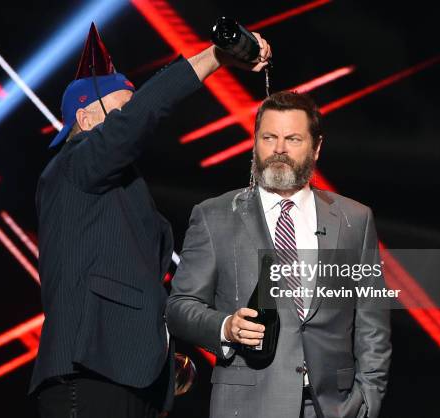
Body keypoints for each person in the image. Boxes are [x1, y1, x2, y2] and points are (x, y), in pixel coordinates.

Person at [28, 23, 272, 418]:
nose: (133, 120)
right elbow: (145, 113)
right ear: (87, 119)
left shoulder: (119, 189)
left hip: (134, 380)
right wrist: (215, 58)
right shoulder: (73, 165)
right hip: (90, 375)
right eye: (123, 112)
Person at [166, 91, 391, 418]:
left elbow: (373, 323)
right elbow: (179, 307)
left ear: (316, 147)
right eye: (268, 137)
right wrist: (226, 326)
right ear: (255, 142)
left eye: (293, 138)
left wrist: (367, 401)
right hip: (248, 406)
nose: (279, 149)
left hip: (335, 408)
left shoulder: (354, 219)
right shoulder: (214, 216)